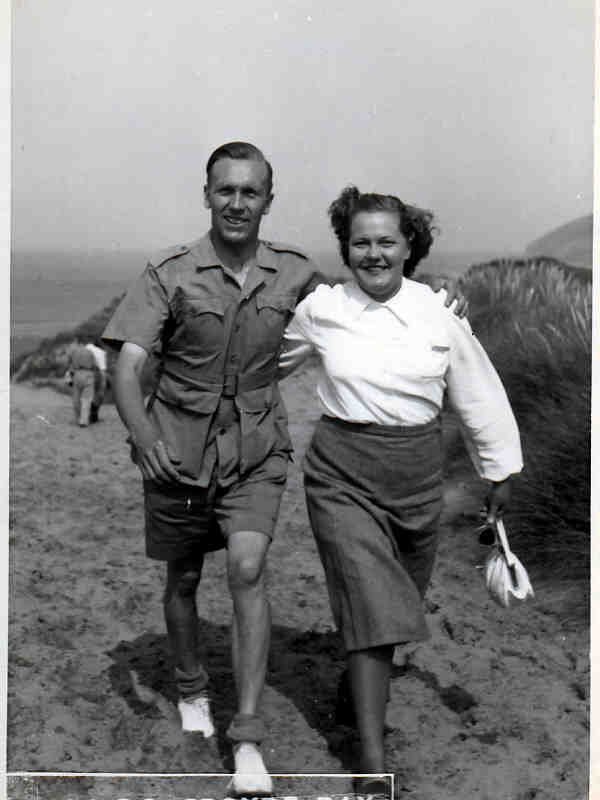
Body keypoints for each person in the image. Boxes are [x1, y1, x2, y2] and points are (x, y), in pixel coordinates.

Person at [102, 144, 466, 794]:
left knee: (246, 568)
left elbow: (368, 299)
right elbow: (127, 365)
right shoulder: (169, 273)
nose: (237, 203)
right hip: (178, 452)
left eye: (250, 192)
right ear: (207, 194)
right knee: (184, 579)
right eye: (225, 191)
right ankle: (189, 683)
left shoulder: (295, 273)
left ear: (268, 200)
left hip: (257, 452)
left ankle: (246, 739)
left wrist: (433, 300)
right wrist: (143, 433)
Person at [278, 186, 523, 785]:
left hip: (417, 480)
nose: (373, 254)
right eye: (360, 242)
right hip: (340, 474)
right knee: (374, 604)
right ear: (345, 248)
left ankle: (352, 687)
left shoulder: (439, 311)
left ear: (409, 245)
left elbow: (474, 392)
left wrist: (498, 470)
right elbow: (262, 363)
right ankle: (371, 763)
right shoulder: (322, 309)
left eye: (386, 241)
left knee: (392, 608)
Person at [65, 339, 100, 427]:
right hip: (88, 374)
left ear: (79, 343)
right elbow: (95, 365)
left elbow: (69, 363)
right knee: (86, 399)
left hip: (77, 374)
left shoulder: (74, 352)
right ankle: (83, 421)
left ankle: (78, 418)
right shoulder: (89, 352)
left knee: (76, 397)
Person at [85, 339, 108, 423]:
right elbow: (102, 370)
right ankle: (94, 414)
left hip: (82, 373)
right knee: (99, 394)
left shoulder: (86, 347)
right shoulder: (101, 352)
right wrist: (104, 383)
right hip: (95, 373)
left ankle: (85, 416)